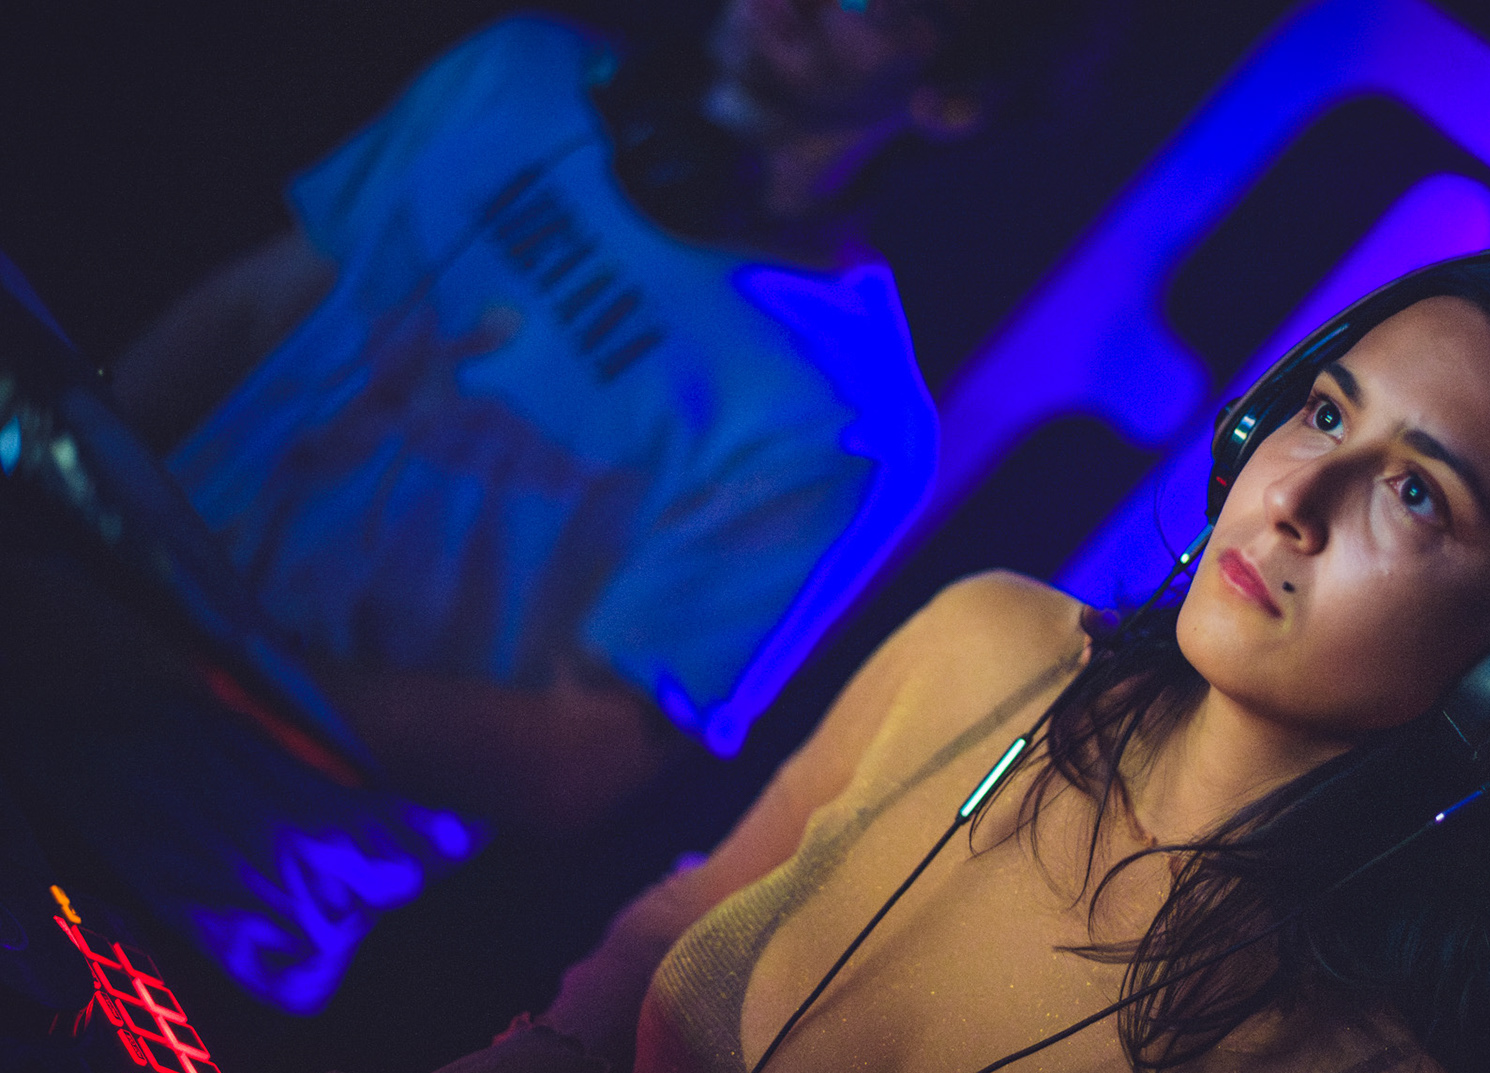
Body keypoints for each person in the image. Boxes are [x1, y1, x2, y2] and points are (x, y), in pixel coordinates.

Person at [250, 250, 1490, 1073]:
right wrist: (553, 1061)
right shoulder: (988, 644)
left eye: (1418, 495)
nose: (1295, 496)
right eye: (1322, 411)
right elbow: (694, 902)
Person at [110, 0, 1102, 833]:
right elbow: (252, 310)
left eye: (867, 3)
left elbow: (579, 758)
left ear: (954, 98)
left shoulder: (849, 420)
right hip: (76, 630)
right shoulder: (515, 74)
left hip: (223, 853)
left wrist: (187, 668)